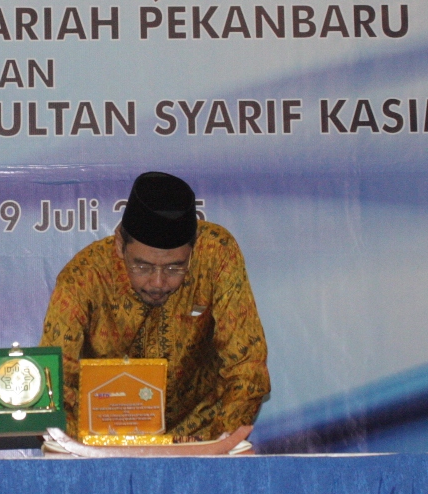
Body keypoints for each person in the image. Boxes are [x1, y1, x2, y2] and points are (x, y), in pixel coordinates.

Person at [40, 171, 269, 440]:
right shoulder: (84, 277)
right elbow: (54, 381)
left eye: (175, 267)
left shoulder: (216, 253)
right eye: (143, 266)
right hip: (104, 437)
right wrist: (87, 448)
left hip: (199, 433)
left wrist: (218, 446)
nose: (158, 283)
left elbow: (247, 366)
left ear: (193, 250)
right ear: (119, 245)